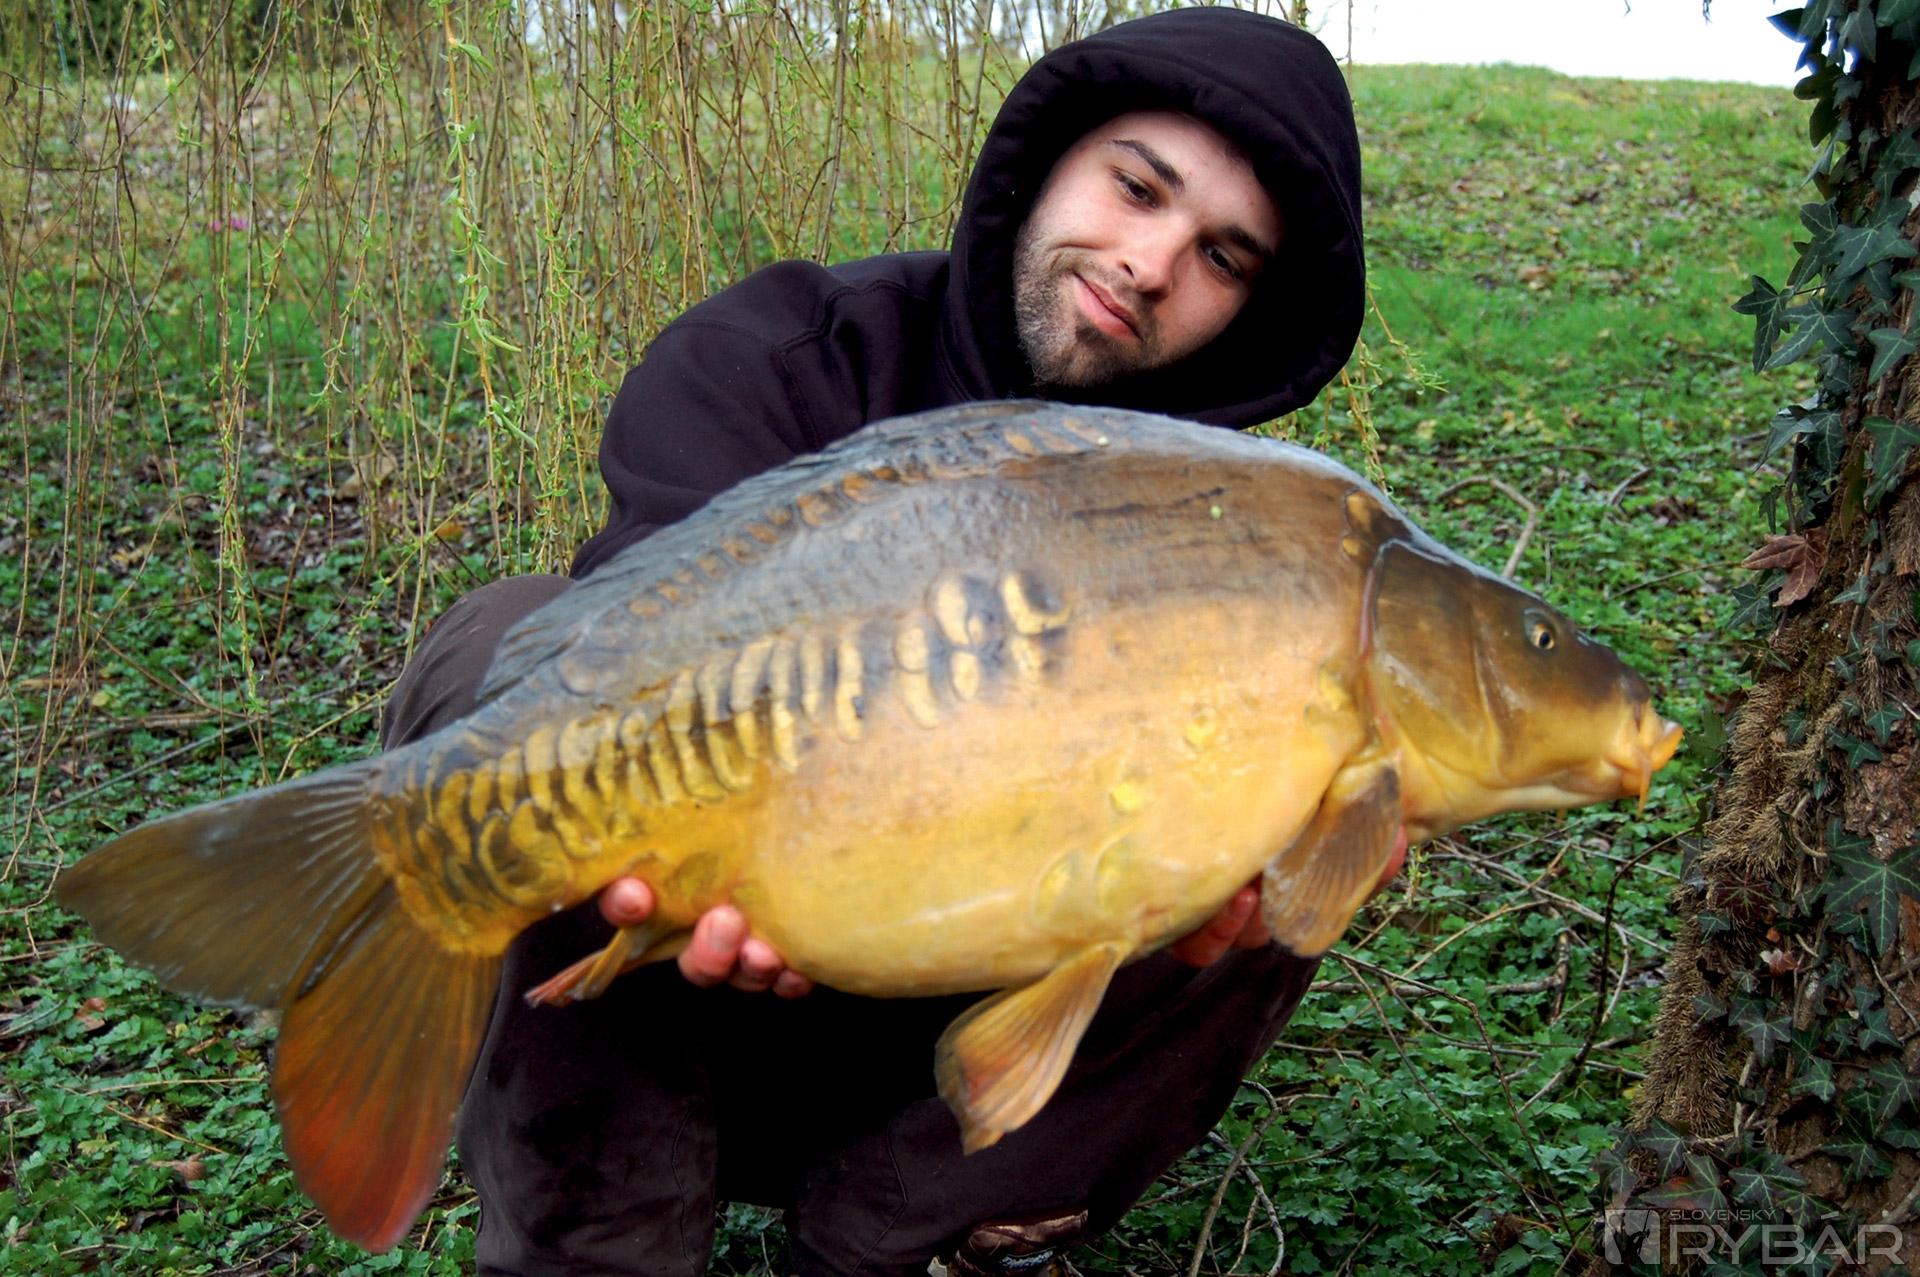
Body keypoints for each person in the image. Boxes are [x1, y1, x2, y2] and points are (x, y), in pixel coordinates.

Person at [379, 8, 1366, 1274]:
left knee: (1316, 806)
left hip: (949, 1044)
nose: (1148, 262)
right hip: (684, 990)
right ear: (1047, 164)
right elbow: (648, 659)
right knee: (505, 651)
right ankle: (596, 1246)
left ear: (1250, 311)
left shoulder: (1235, 533)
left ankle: (900, 1241)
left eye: (1222, 256)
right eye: (1136, 188)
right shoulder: (774, 358)